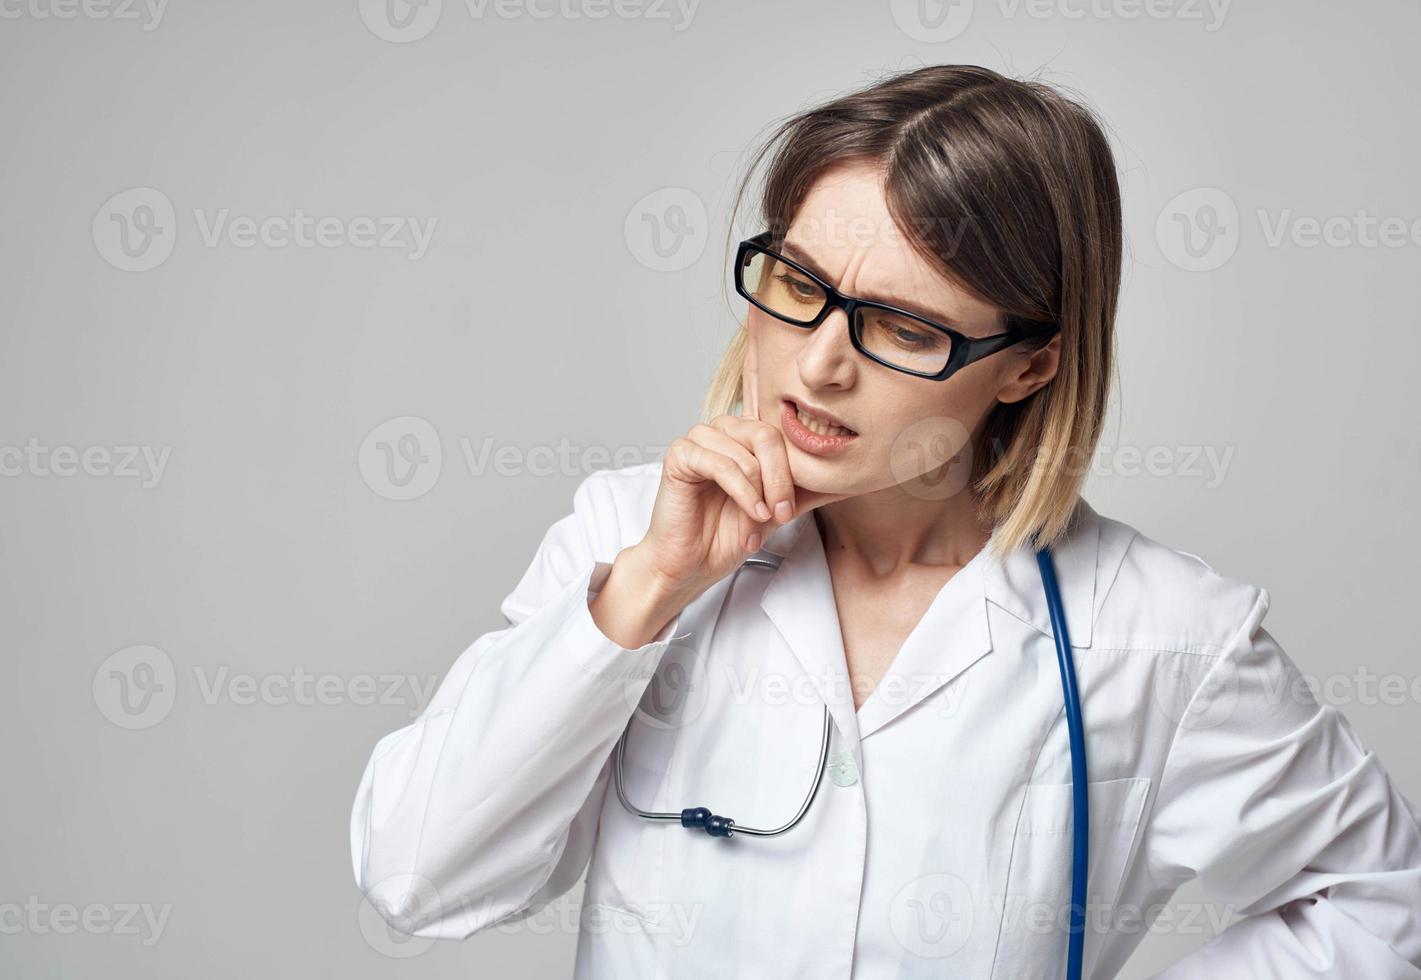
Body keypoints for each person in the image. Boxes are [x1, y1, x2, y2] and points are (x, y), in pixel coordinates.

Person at [350, 64, 1421, 978]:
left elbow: (1379, 901)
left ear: (1029, 362)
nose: (819, 361)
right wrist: (643, 593)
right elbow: (415, 873)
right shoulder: (629, 536)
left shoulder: (1160, 635)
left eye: (901, 327)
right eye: (799, 285)